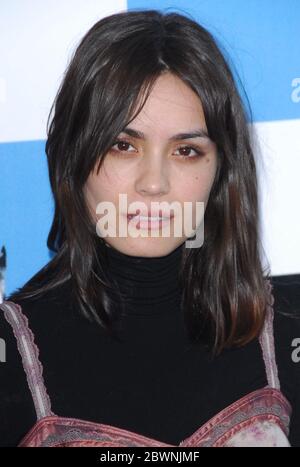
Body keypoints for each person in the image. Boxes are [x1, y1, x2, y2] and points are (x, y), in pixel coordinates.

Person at [0, 9, 299, 447]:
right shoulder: (10, 354)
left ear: (222, 170)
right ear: (72, 156)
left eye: (186, 151)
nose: (154, 183)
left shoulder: (288, 328)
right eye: (123, 146)